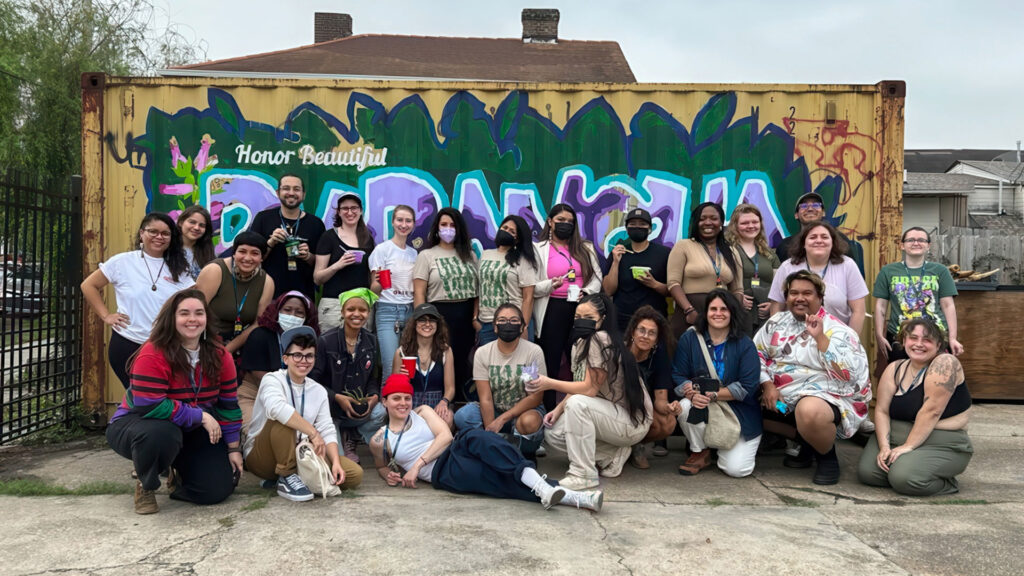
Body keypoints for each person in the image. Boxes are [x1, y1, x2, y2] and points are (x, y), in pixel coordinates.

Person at [369, 375, 604, 511]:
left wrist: (416, 467)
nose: (403, 403)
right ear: (385, 401)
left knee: (480, 437)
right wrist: (387, 475)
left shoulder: (422, 411)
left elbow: (446, 437)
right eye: (396, 398)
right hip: (444, 471)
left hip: (455, 447)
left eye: (407, 398)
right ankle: (575, 498)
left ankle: (545, 489)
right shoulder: (380, 439)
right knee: (498, 480)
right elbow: (381, 466)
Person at [105, 289, 241, 514]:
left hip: (192, 428)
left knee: (216, 490)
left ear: (207, 319)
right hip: (140, 423)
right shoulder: (153, 352)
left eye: (199, 313)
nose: (192, 319)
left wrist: (233, 448)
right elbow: (149, 404)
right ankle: (145, 484)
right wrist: (200, 415)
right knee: (161, 434)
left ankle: (178, 477)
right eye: (184, 313)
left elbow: (228, 405)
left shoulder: (220, 356)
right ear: (172, 318)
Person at [756, 270, 871, 485]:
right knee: (743, 403)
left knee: (808, 411)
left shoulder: (838, 330)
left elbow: (850, 375)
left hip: (824, 399)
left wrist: (820, 339)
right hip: (780, 402)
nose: (799, 298)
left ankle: (826, 456)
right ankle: (806, 442)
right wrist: (767, 384)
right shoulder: (776, 323)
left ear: (820, 298)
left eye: (807, 293)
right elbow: (756, 354)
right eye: (793, 293)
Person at [528, 293, 652, 491]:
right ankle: (611, 454)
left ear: (602, 319)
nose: (581, 322)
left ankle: (583, 473)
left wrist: (549, 383)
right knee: (553, 435)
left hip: (630, 421)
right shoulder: (579, 343)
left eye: (589, 318)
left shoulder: (600, 338)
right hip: (608, 415)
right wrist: (558, 409)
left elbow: (589, 389)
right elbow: (580, 383)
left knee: (577, 405)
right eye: (577, 317)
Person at [244, 327, 362, 501]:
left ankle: (295, 477)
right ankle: (286, 476)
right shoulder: (273, 379)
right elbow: (276, 408)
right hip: (263, 456)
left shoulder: (318, 390)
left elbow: (327, 427)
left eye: (309, 356)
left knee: (353, 474)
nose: (303, 361)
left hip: (301, 450)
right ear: (286, 359)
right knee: (283, 421)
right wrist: (312, 432)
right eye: (297, 355)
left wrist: (336, 462)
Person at [857, 318, 973, 496]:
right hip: (897, 435)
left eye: (927, 339)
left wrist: (908, 446)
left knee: (905, 479)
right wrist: (884, 446)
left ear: (938, 345)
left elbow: (931, 411)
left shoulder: (945, 363)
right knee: (869, 474)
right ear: (904, 341)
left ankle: (946, 483)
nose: (919, 344)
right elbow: (881, 410)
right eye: (913, 338)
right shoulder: (895, 368)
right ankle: (905, 466)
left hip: (940, 440)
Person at [81, 212, 193, 389]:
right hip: (128, 343)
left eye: (165, 233)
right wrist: (106, 316)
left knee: (164, 397)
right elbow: (88, 285)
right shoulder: (123, 262)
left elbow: (193, 298)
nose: (159, 237)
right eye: (153, 231)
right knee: (139, 398)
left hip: (166, 345)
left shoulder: (179, 268)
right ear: (142, 233)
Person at [673, 289, 762, 477]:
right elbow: (678, 375)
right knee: (686, 406)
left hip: (739, 411)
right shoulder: (690, 338)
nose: (718, 313)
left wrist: (712, 394)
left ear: (732, 313)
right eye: (713, 309)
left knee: (737, 470)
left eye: (724, 309)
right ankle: (700, 451)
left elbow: (748, 386)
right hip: (702, 404)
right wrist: (689, 391)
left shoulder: (744, 344)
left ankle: (721, 445)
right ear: (705, 313)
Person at [454, 303, 548, 459]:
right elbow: (485, 397)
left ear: (522, 326)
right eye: (502, 320)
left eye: (513, 320)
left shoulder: (531, 352)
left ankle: (521, 452)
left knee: (529, 422)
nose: (508, 324)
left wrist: (503, 419)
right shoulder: (483, 353)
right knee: (464, 416)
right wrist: (492, 433)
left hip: (522, 412)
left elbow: (534, 397)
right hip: (494, 408)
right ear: (495, 327)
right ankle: (495, 445)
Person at [532, 204, 602, 399]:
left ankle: (579, 405)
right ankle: (547, 408)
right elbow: (531, 287)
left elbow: (597, 277)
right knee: (550, 361)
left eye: (570, 222)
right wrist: (550, 285)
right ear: (549, 222)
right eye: (560, 220)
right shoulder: (538, 249)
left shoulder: (585, 248)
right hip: (551, 310)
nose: (565, 225)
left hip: (580, 309)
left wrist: (586, 292)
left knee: (580, 359)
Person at [310, 288, 385, 463]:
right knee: (341, 461)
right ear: (342, 312)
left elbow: (373, 377)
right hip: (330, 412)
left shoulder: (371, 341)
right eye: (351, 309)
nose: (357, 314)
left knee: (381, 412)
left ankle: (352, 434)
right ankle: (342, 435)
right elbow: (312, 381)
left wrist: (373, 396)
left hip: (357, 408)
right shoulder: (325, 341)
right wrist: (337, 398)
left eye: (363, 310)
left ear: (368, 313)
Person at [413, 208, 479, 396]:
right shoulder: (426, 256)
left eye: (453, 225)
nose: (448, 229)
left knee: (461, 361)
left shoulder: (470, 256)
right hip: (438, 314)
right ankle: (437, 402)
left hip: (465, 316)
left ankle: (456, 403)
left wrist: (475, 317)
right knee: (440, 360)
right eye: (444, 225)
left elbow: (477, 292)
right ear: (436, 228)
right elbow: (419, 292)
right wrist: (422, 320)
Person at [874, 227, 962, 362]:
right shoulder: (888, 271)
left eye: (921, 240)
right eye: (911, 240)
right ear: (902, 245)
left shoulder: (940, 270)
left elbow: (948, 305)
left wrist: (952, 338)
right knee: (901, 376)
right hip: (901, 337)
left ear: (928, 246)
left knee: (935, 378)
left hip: (935, 336)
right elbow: (881, 306)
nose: (916, 243)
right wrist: (880, 335)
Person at [237, 290, 320, 432]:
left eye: (299, 312)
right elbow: (258, 373)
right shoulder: (260, 334)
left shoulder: (309, 340)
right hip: (255, 395)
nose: (292, 315)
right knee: (257, 435)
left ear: (306, 318)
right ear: (277, 311)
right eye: (287, 310)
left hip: (297, 397)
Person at [768, 221, 868, 333]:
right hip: (793, 341)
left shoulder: (847, 265)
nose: (819, 241)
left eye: (824, 237)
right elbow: (776, 307)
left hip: (837, 339)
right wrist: (776, 337)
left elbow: (858, 311)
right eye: (813, 237)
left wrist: (849, 343)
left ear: (833, 242)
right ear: (803, 243)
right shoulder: (787, 267)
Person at [666, 202, 744, 338]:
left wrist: (734, 313)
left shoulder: (731, 251)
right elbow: (673, 283)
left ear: (721, 222)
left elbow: (737, 289)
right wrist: (689, 310)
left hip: (721, 317)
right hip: (689, 314)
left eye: (713, 218)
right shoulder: (683, 246)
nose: (708, 222)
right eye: (702, 219)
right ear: (696, 223)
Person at [195, 231, 275, 355]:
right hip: (204, 338)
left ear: (262, 258)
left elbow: (257, 324)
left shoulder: (267, 282)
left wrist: (227, 351)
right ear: (234, 253)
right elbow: (195, 311)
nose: (247, 258)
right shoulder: (215, 270)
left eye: (255, 253)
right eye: (242, 252)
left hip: (239, 343)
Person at [247, 174, 326, 298]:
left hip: (303, 295)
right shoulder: (263, 218)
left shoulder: (316, 224)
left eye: (296, 189)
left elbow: (322, 264)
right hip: (268, 294)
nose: (291, 193)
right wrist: (270, 243)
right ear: (278, 193)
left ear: (303, 194)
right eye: (286, 188)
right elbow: (251, 258)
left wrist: (308, 256)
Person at [368, 204, 418, 379]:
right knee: (390, 366)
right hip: (387, 310)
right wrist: (380, 283)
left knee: (407, 366)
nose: (403, 224)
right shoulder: (382, 250)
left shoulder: (414, 254)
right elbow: (373, 291)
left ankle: (403, 404)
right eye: (400, 220)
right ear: (392, 222)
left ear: (413, 224)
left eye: (408, 221)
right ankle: (385, 405)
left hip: (410, 310)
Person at [624, 306, 677, 469]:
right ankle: (619, 446)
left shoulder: (659, 356)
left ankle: (633, 446)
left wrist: (669, 407)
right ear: (633, 332)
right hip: (618, 406)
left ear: (657, 338)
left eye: (651, 333)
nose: (645, 336)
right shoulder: (620, 351)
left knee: (668, 422)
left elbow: (660, 400)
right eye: (641, 330)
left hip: (643, 407)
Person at [314, 192, 375, 331]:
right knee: (332, 350)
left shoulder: (368, 239)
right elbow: (317, 278)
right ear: (339, 212)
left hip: (361, 306)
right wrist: (338, 265)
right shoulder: (329, 237)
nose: (350, 212)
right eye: (345, 208)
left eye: (354, 208)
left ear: (360, 211)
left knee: (359, 350)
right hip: (334, 305)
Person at [603, 207, 671, 331]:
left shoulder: (664, 253)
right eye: (632, 224)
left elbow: (672, 291)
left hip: (654, 320)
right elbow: (608, 291)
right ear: (627, 229)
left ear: (649, 229)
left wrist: (654, 284)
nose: (637, 227)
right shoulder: (618, 252)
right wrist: (616, 262)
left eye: (642, 224)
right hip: (622, 320)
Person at [476, 215, 540, 345]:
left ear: (518, 239)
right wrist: (474, 319)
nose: (506, 231)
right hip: (487, 323)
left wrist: (524, 326)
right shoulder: (485, 254)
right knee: (491, 364)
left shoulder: (523, 260)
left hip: (513, 323)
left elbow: (528, 297)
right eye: (505, 228)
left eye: (512, 231)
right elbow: (479, 288)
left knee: (520, 364)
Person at [392, 303, 455, 428]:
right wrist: (401, 379)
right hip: (410, 403)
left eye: (432, 320)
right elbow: (393, 389)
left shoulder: (445, 351)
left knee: (447, 417)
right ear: (414, 324)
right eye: (422, 320)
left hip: (437, 404)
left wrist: (444, 401)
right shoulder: (401, 352)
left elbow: (450, 388)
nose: (427, 324)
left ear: (438, 324)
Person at [725, 203, 781, 336]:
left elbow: (780, 284)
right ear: (735, 225)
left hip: (765, 315)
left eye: (755, 222)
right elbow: (719, 279)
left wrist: (772, 305)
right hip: (737, 313)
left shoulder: (769, 253)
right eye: (745, 223)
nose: (751, 226)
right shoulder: (727, 250)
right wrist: (735, 297)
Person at [774, 191, 860, 268]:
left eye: (816, 205)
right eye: (804, 206)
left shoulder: (839, 240)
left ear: (823, 213)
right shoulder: (785, 245)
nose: (810, 209)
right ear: (796, 215)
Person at [177, 206, 215, 281]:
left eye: (202, 225)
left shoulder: (208, 254)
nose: (196, 228)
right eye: (192, 222)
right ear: (181, 222)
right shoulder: (167, 248)